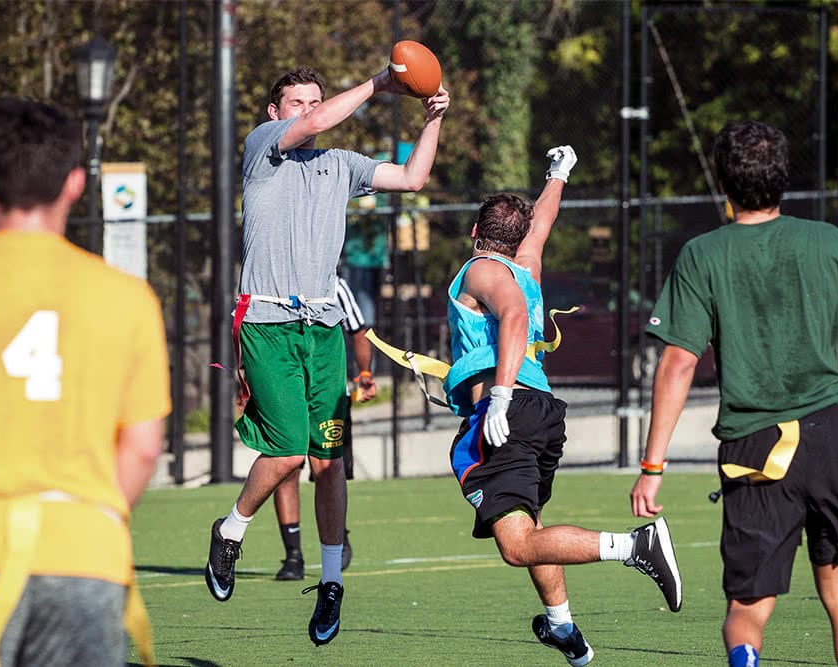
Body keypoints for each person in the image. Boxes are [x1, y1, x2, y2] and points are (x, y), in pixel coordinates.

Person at [631, 120, 838, 667]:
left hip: (754, 448)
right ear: (783, 179)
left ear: (724, 184)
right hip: (831, 436)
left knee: (747, 608)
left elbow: (679, 362)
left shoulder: (702, 254)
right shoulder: (827, 241)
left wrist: (652, 465)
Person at [204, 66, 448, 648]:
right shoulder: (263, 149)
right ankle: (232, 529)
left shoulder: (339, 164)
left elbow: (414, 178)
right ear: (274, 111)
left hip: (323, 329)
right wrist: (377, 85)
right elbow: (312, 123)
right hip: (268, 323)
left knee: (329, 460)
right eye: (295, 102)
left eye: (314, 100)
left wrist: (434, 118)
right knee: (288, 452)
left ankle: (332, 580)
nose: (308, 110)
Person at [444, 146, 682, 667]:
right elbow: (543, 222)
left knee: (515, 545)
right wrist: (558, 174)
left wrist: (500, 396)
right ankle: (561, 626)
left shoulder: (482, 270)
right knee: (528, 527)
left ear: (474, 234)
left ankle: (635, 548)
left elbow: (509, 317)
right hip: (542, 413)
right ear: (518, 237)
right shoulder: (525, 264)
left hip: (507, 411)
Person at [0, 97, 170, 667]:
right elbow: (144, 446)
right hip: (85, 552)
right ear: (76, 183)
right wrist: (89, 517)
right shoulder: (128, 297)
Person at [274, 275, 377, 581]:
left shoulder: (335, 284)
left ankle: (337, 534)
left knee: (329, 469)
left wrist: (365, 373)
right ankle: (293, 555)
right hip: (288, 392)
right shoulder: (274, 284)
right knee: (286, 466)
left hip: (329, 395)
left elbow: (359, 331)